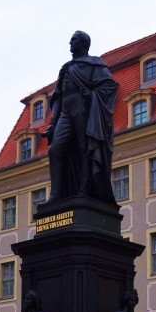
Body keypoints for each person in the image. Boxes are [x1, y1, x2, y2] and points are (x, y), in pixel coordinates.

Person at [40, 31, 118, 205]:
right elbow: (57, 96)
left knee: (85, 149)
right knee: (55, 149)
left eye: (74, 40)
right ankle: (55, 195)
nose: (70, 43)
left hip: (83, 108)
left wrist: (91, 94)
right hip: (66, 111)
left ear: (84, 43)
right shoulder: (66, 67)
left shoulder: (95, 63)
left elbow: (110, 86)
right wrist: (52, 123)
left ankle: (84, 190)